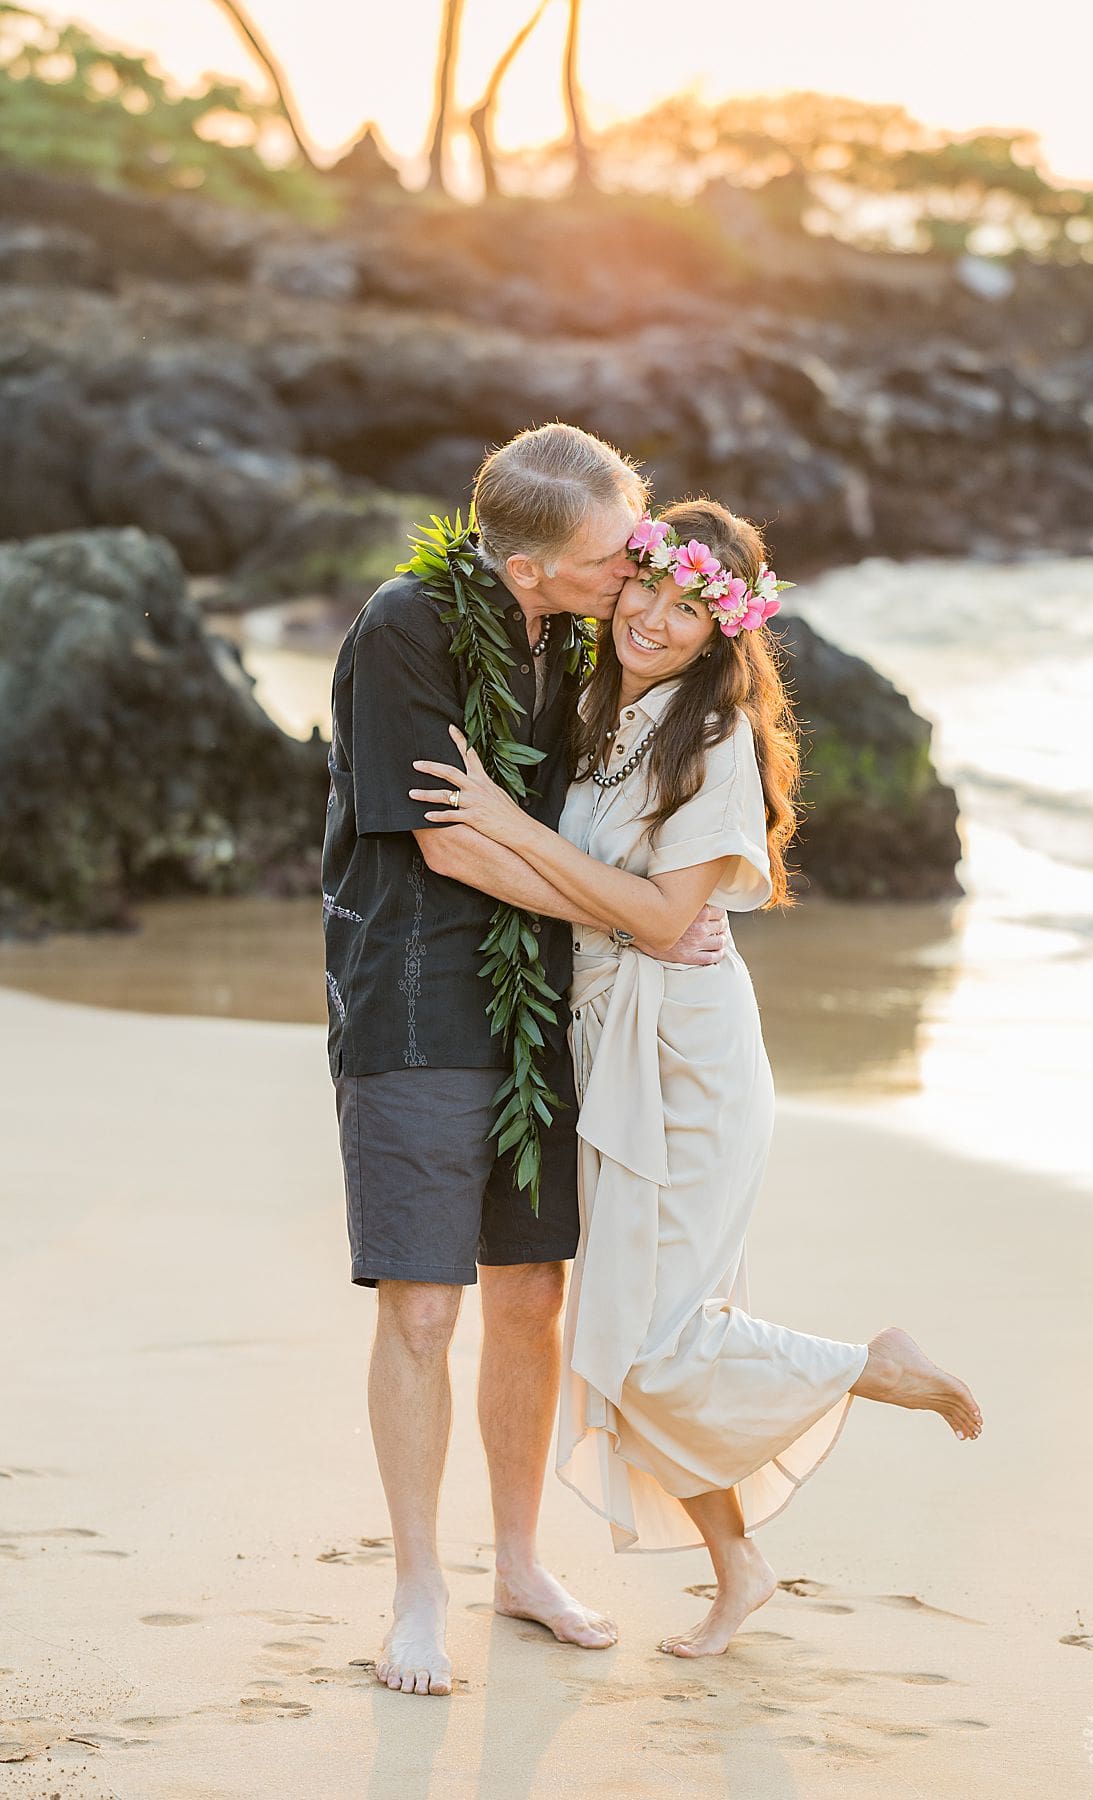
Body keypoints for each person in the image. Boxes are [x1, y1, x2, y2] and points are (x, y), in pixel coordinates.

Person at [410, 496, 984, 1659]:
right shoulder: (602, 705)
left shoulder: (713, 740)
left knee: (645, 1338)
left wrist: (503, 831)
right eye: (648, 591)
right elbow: (614, 911)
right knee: (640, 1333)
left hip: (686, 1065)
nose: (656, 622)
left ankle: (869, 1368)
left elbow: (660, 916)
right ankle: (741, 1568)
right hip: (611, 1039)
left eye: (688, 610)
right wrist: (540, 856)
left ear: (726, 630)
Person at [321, 426, 728, 1698]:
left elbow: (655, 767)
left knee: (530, 1297)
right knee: (424, 1307)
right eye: (617, 555)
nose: (636, 569)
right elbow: (453, 847)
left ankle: (519, 1563)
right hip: (415, 1002)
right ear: (534, 565)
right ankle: (417, 1589)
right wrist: (634, 912)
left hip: (547, 1009)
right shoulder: (405, 630)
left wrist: (661, 893)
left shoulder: (586, 636)